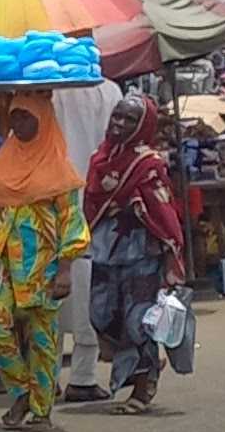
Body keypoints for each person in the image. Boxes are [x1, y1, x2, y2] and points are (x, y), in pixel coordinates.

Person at [0, 92, 90, 431]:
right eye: (15, 117)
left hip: (43, 268)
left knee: (43, 340)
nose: (19, 124)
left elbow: (72, 221)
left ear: (44, 118)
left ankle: (41, 410)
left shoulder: (59, 168)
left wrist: (66, 269)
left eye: (27, 117)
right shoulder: (2, 162)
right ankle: (20, 391)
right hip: (3, 266)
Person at [83, 94, 193, 412]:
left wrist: (137, 208)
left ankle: (143, 387)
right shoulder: (99, 158)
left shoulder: (149, 164)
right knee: (101, 314)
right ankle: (142, 364)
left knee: (138, 319)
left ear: (143, 126)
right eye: (117, 116)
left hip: (141, 252)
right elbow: (91, 201)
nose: (119, 123)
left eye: (129, 119)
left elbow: (163, 210)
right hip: (105, 249)